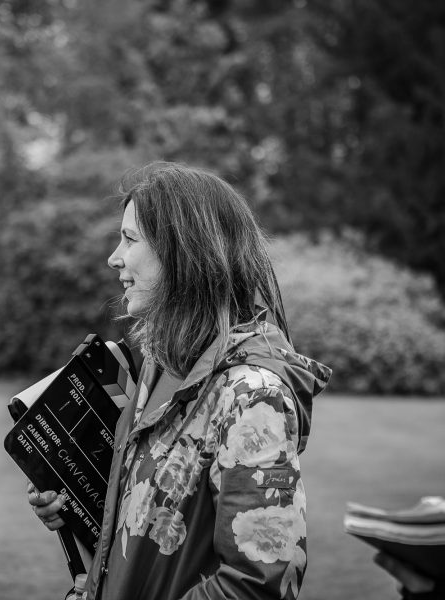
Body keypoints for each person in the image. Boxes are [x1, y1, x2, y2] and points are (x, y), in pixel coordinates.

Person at [28, 162, 331, 600]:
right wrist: (77, 505)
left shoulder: (253, 396)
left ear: (183, 254)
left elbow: (256, 586)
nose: (114, 257)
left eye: (130, 239)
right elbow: (145, 534)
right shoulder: (155, 370)